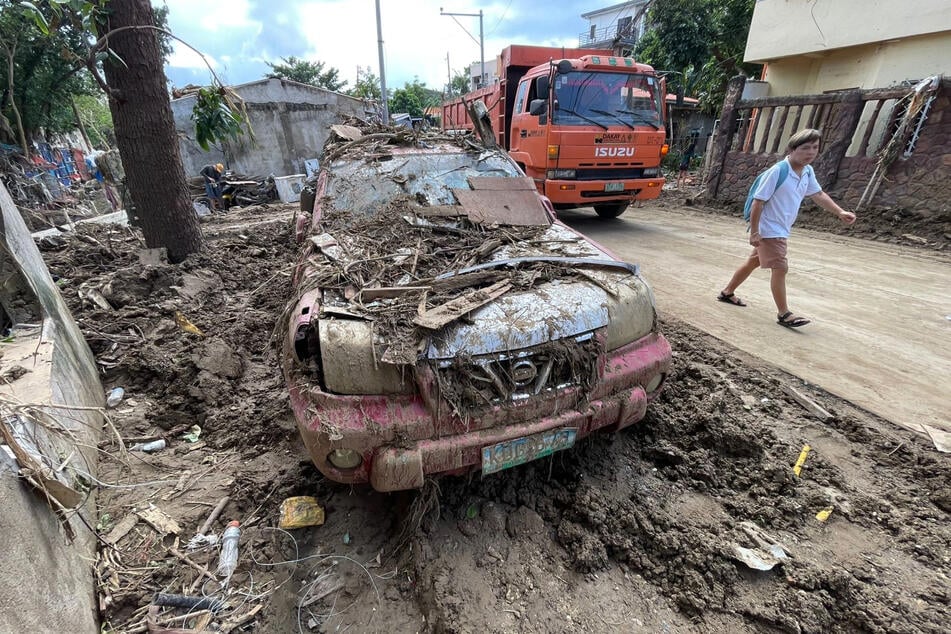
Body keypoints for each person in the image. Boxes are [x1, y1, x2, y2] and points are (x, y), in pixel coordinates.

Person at [716, 128, 856, 328]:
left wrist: (839, 212)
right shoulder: (778, 171)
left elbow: (818, 194)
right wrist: (755, 232)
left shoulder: (807, 171)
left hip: (780, 227)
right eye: (805, 148)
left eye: (815, 148)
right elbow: (758, 202)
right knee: (780, 268)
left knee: (752, 263)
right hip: (770, 229)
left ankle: (727, 292)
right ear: (792, 149)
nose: (811, 152)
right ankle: (784, 314)